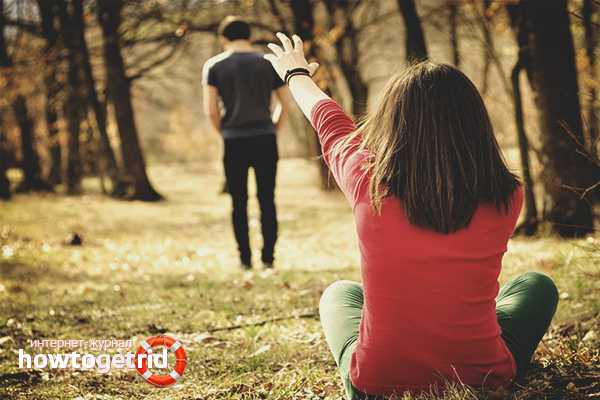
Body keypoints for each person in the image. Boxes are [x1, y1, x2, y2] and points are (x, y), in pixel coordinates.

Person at [264, 33, 559, 399]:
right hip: (482, 376)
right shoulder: (507, 195)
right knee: (537, 286)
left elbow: (330, 123)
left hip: (375, 383)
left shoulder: (366, 181)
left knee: (339, 294)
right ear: (475, 123)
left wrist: (295, 74)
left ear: (393, 122)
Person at [202, 17, 290, 269]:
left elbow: (211, 110)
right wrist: (274, 128)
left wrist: (224, 132)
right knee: (267, 199)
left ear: (223, 38)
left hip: (234, 142)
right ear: (249, 36)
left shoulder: (214, 66)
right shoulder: (268, 63)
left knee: (238, 202)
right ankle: (268, 258)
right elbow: (285, 103)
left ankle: (245, 260)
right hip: (265, 139)